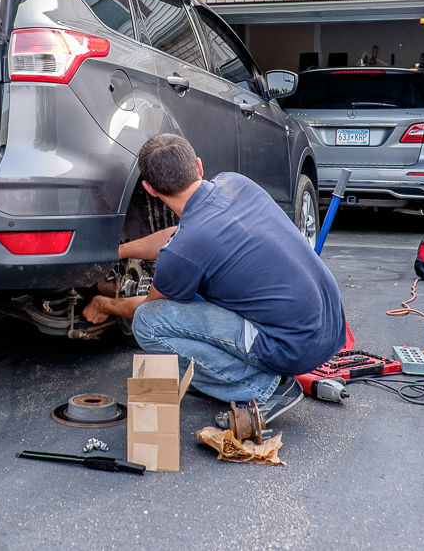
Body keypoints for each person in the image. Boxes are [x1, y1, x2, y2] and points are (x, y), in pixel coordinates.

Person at [83, 134, 347, 422]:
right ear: (198, 166)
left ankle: (262, 387)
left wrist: (102, 304)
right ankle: (237, 376)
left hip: (295, 348)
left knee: (148, 323)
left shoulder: (185, 250)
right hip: (331, 324)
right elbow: (175, 238)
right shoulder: (235, 183)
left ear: (149, 188)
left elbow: (149, 306)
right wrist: (117, 251)